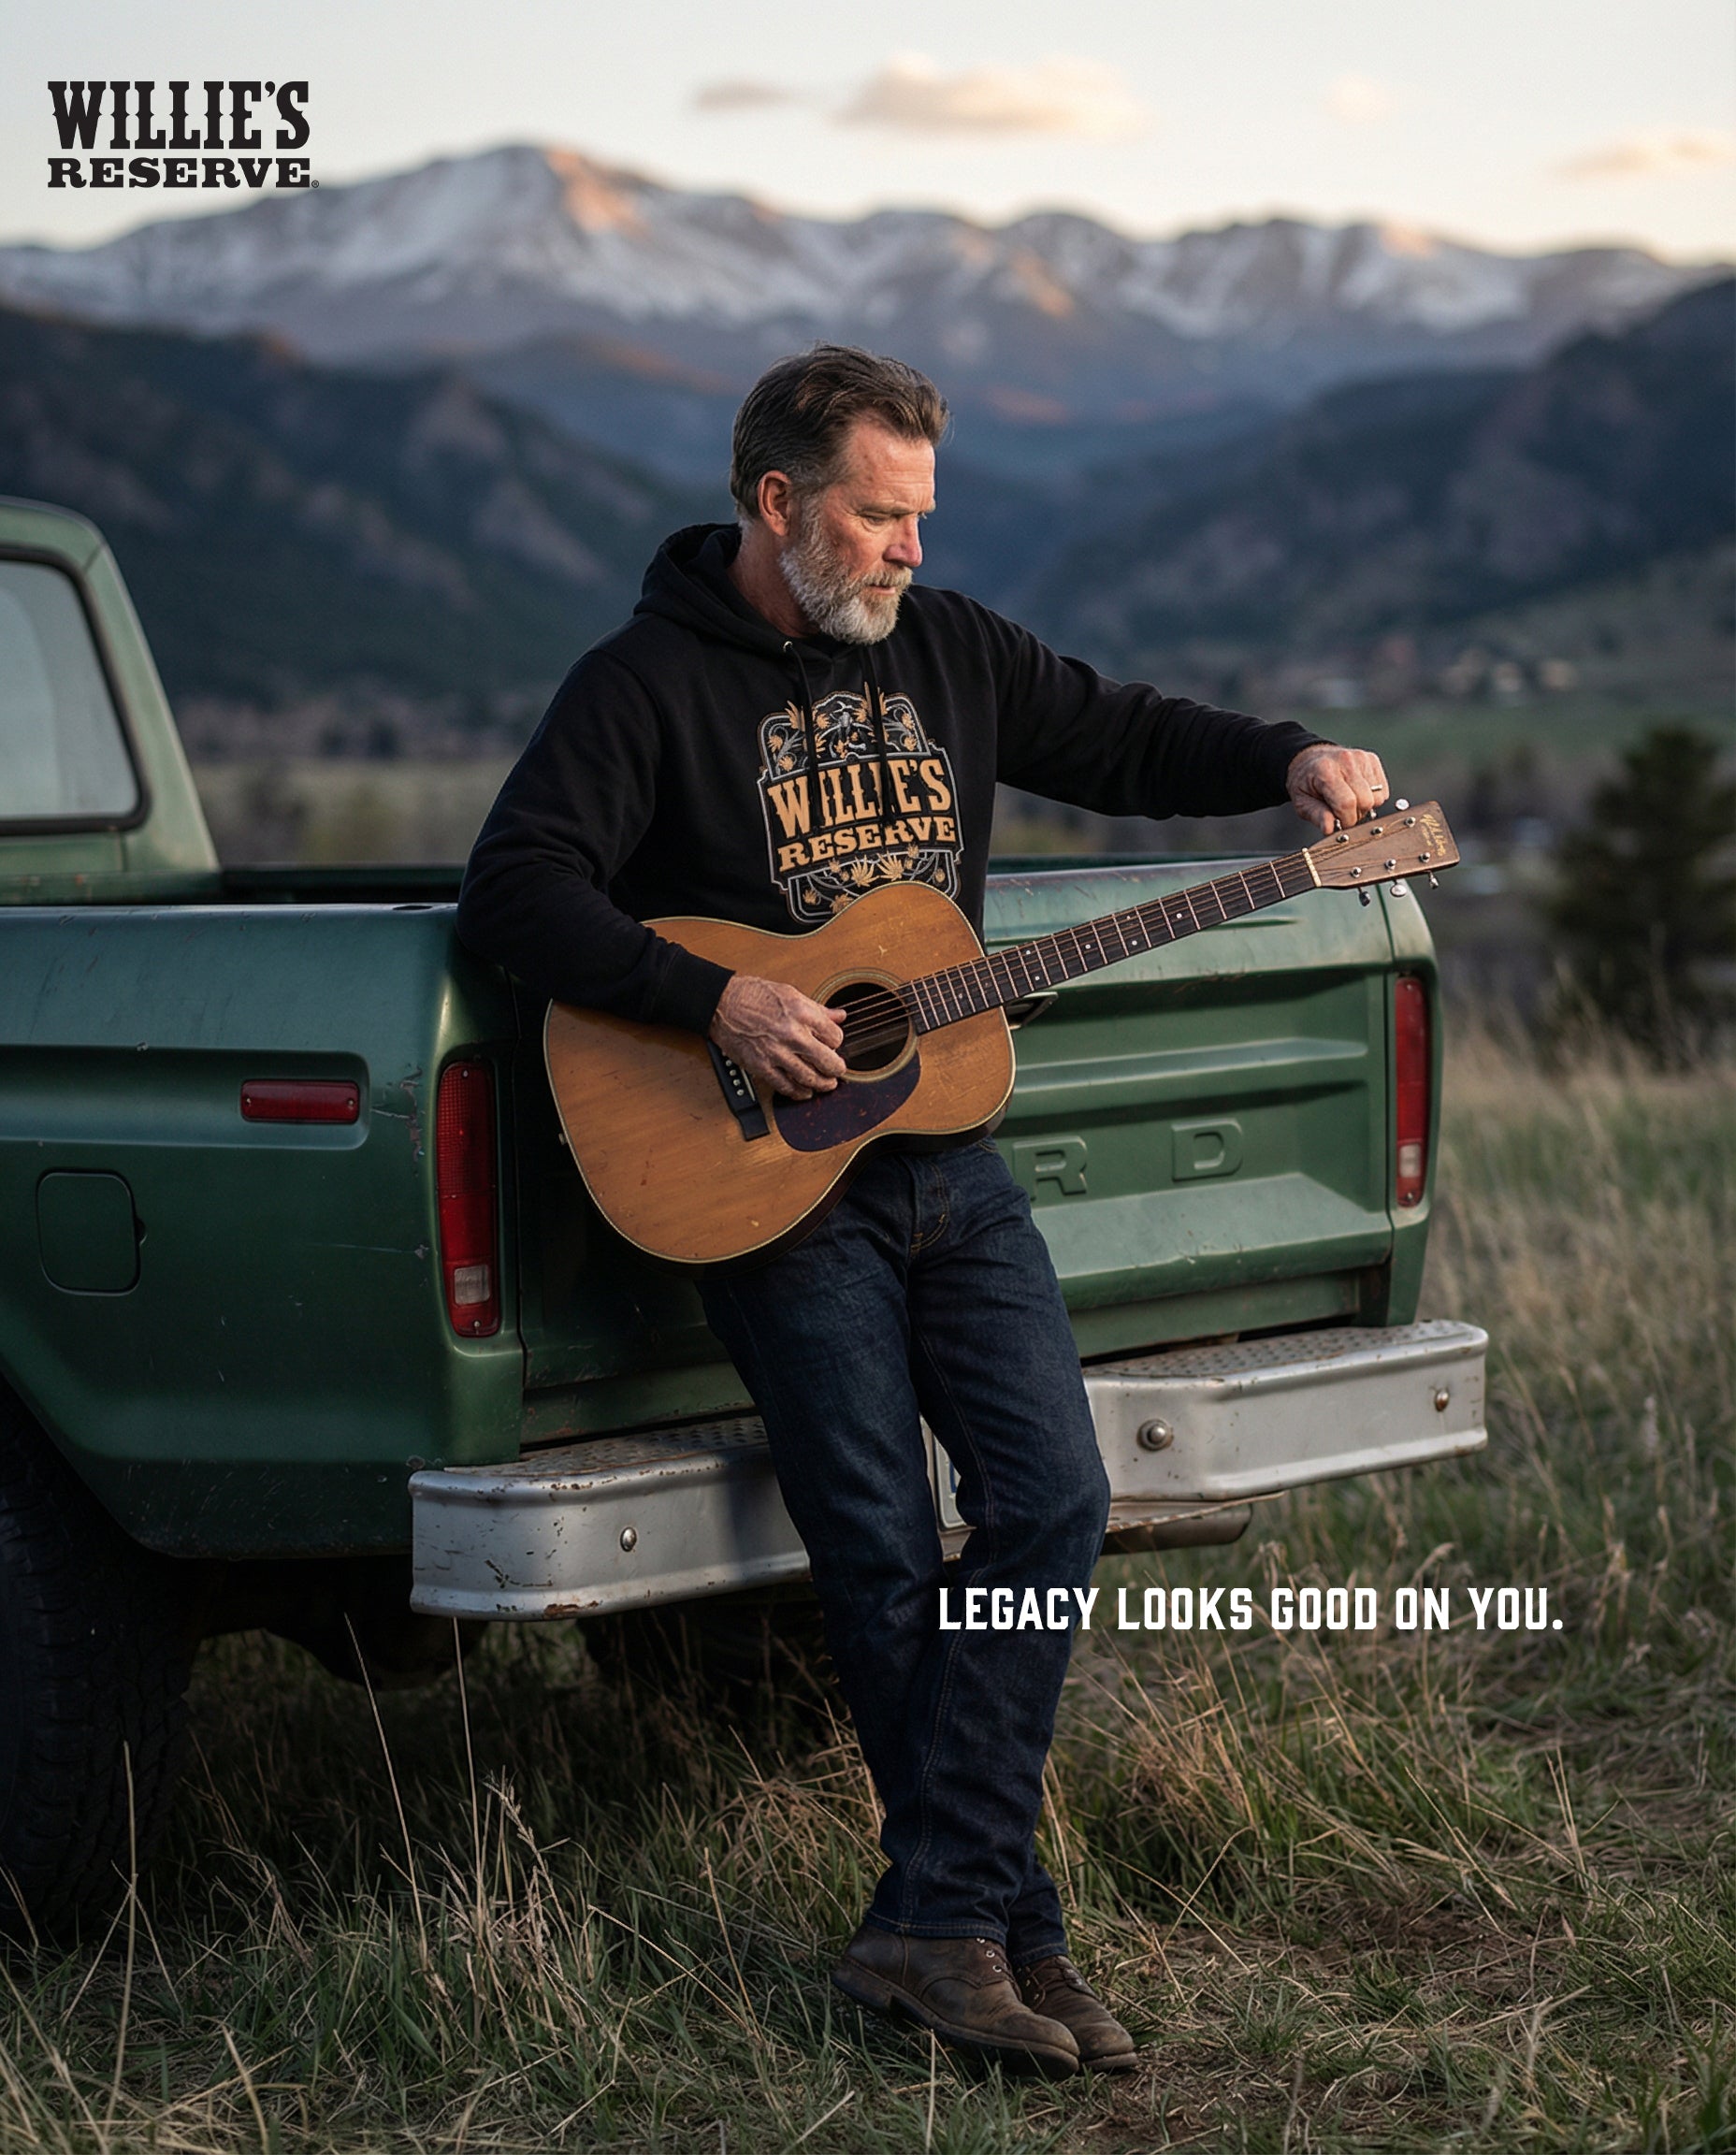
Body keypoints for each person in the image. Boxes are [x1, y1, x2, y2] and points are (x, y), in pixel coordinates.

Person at [456, 346, 1389, 2077]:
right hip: (771, 1184)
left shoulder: (949, 651)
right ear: (780, 503)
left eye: (921, 518)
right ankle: (997, 1933)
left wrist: (1289, 754)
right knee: (881, 1551)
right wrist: (714, 1003)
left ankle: (944, 1923)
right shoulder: (644, 685)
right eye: (880, 518)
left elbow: (1122, 734)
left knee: (1051, 1502)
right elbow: (515, 888)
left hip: (945, 1155)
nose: (905, 549)